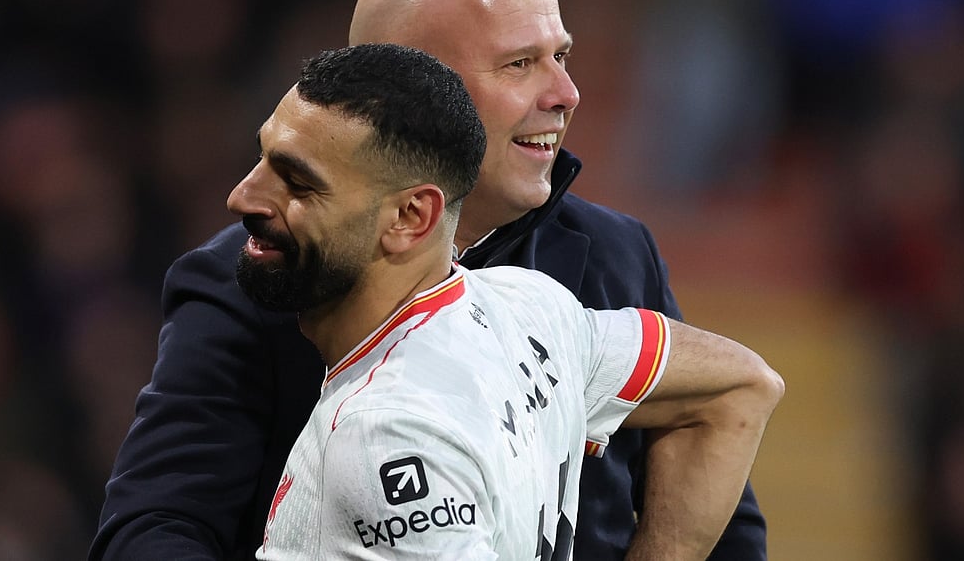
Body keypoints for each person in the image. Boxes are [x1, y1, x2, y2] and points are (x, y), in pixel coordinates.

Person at [92, 0, 771, 561]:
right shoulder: (254, 275)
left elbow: (737, 401)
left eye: (558, 56)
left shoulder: (595, 269)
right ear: (413, 90)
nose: (566, 93)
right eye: (521, 64)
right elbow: (153, 528)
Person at [231, 42, 782, 560]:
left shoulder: (389, 433)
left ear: (410, 217)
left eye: (298, 184)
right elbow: (741, 384)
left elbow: (743, 389)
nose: (243, 197)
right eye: (262, 160)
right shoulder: (532, 308)